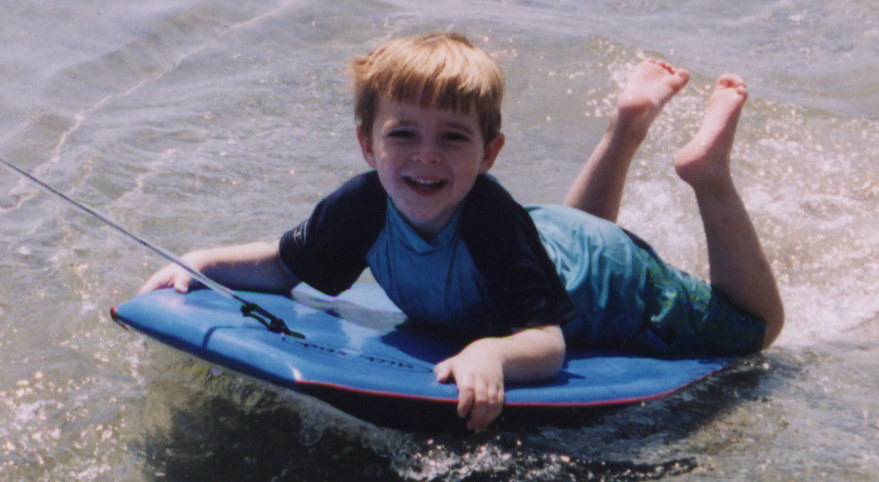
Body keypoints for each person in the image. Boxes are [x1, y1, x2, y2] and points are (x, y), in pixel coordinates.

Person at [140, 33, 783, 432]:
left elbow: (548, 341)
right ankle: (627, 125)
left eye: (453, 137)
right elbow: (284, 266)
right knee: (555, 254)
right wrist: (203, 263)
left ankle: (708, 176)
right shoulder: (361, 205)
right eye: (403, 134)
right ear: (367, 143)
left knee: (754, 329)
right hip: (552, 239)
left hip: (611, 277)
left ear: (489, 152)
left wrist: (492, 354)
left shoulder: (489, 220)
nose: (426, 156)